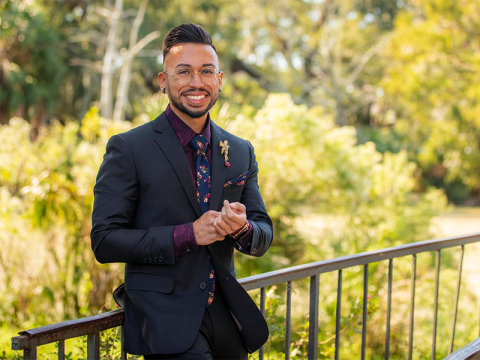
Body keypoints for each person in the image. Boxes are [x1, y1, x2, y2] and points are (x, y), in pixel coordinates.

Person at [90, 23, 273, 360]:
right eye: (183, 72)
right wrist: (188, 235)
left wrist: (242, 228)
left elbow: (263, 234)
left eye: (206, 72)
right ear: (164, 82)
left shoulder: (240, 150)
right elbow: (104, 240)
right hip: (165, 322)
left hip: (228, 319)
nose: (196, 82)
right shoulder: (128, 148)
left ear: (219, 80)